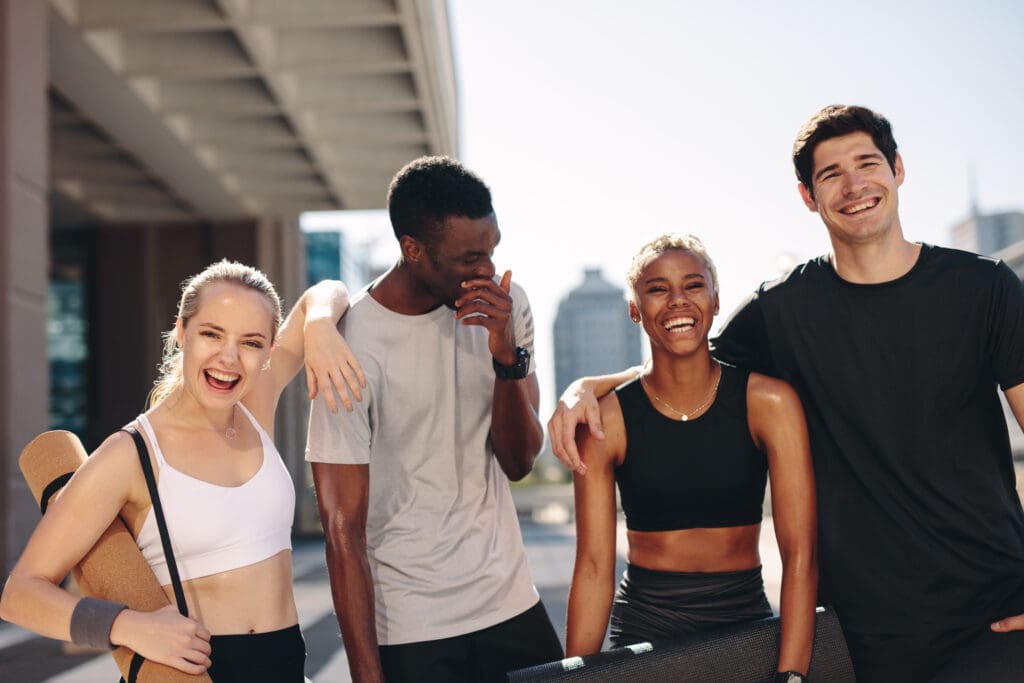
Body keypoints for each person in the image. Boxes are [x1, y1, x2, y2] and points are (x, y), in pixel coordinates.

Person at [548, 105, 1024, 682]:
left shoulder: (984, 287)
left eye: (867, 163)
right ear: (808, 196)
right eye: (830, 174)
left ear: (898, 169)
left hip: (993, 612)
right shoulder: (782, 309)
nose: (854, 185)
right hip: (857, 631)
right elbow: (686, 353)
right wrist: (584, 389)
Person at [0, 259, 365, 681]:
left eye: (250, 342)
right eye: (212, 334)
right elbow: (20, 594)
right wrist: (128, 627)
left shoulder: (253, 404)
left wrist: (319, 325)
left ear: (268, 351)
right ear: (181, 331)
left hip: (285, 666)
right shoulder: (132, 452)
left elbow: (324, 292)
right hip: (193, 673)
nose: (229, 358)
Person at [306, 155, 564, 683]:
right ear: (413, 251)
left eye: (492, 249)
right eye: (470, 258)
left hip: (508, 600)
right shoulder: (351, 345)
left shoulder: (506, 306)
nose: (488, 271)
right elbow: (341, 529)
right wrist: (366, 673)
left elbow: (518, 461)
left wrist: (505, 358)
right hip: (410, 627)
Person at [565, 233, 817, 683]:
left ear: (716, 301)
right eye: (658, 289)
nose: (677, 301)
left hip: (745, 617)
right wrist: (571, 677)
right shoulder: (606, 421)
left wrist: (792, 675)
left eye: (694, 285)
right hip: (646, 623)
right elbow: (594, 567)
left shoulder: (770, 403)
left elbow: (799, 553)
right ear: (634, 309)